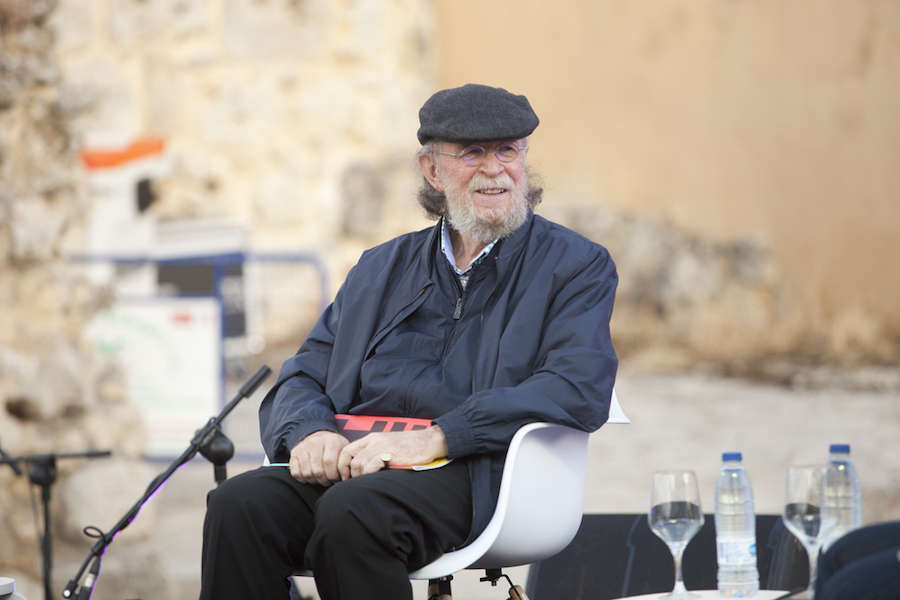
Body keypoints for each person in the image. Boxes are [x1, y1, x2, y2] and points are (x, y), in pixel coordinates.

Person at [199, 83, 619, 600]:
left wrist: (438, 436)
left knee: (353, 513)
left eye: (508, 150)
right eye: (472, 153)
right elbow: (305, 372)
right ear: (432, 172)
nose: (495, 168)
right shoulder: (382, 266)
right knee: (238, 506)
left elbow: (577, 387)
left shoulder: (575, 265)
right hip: (362, 461)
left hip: (477, 470)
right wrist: (309, 432)